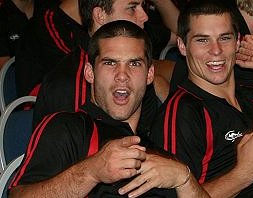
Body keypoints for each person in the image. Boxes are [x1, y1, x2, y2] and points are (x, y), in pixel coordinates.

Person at [9, 20, 210, 198]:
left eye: (134, 63)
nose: (122, 75)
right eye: (110, 62)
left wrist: (184, 178)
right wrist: (91, 172)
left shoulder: (160, 146)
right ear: (90, 72)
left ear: (149, 75)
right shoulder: (68, 128)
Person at [150, 0, 253, 197]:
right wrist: (243, 174)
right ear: (182, 46)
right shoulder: (183, 113)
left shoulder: (252, 98)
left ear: (238, 42)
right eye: (202, 40)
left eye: (225, 38)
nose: (216, 50)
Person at [31, 0, 170, 130]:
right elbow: (77, 151)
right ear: (100, 15)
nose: (144, 16)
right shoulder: (73, 84)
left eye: (134, 63)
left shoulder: (140, 75)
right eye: (132, 8)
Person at [14, 0, 89, 96]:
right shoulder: (47, 22)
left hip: (70, 92)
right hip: (39, 100)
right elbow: (73, 67)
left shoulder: (88, 27)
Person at [0, 0, 33, 69]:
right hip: (20, 75)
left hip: (53, 73)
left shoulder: (50, 9)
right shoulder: (3, 18)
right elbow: (5, 71)